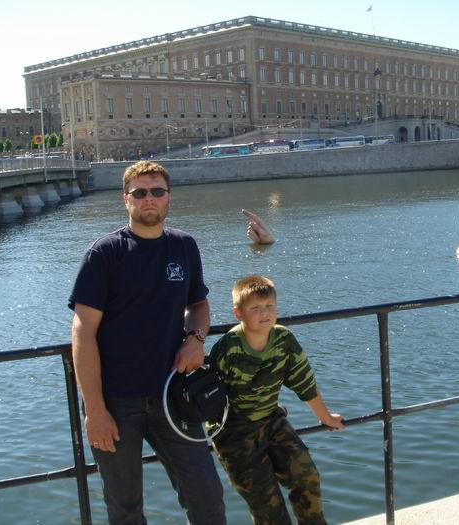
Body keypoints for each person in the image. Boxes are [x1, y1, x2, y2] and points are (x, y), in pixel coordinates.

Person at [68, 160, 226, 525]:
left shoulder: (184, 245)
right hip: (115, 401)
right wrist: (95, 410)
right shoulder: (105, 253)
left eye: (157, 191)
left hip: (173, 395)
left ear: (169, 197)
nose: (149, 199)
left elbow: (199, 304)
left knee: (206, 495)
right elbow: (82, 333)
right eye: (139, 193)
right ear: (126, 199)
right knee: (125, 509)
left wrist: (196, 338)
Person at [208, 275, 344, 525]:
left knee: (306, 476)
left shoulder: (283, 340)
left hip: (270, 419)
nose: (264, 313)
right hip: (234, 431)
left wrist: (325, 417)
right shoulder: (228, 348)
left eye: (269, 306)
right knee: (267, 505)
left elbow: (305, 382)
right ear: (238, 313)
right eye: (255, 308)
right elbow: (208, 398)